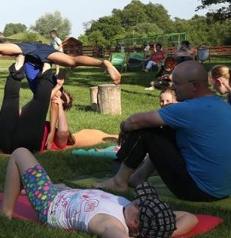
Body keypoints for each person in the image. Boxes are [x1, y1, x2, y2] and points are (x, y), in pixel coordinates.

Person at [0, 147, 197, 238]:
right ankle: (44, 187)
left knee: (20, 153)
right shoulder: (140, 215)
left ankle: (6, 211)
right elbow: (190, 217)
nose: (136, 199)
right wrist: (161, 234)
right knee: (46, 182)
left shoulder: (111, 224)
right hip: (67, 194)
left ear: (135, 222)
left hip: (50, 202)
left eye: (139, 203)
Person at [95, 61, 231, 201]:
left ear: (194, 85)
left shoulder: (188, 109)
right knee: (165, 129)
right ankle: (139, 177)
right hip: (222, 189)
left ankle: (119, 182)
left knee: (145, 131)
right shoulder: (222, 105)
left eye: (177, 83)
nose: (172, 87)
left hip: (198, 191)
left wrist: (124, 127)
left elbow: (135, 121)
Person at [0, 28, 121, 84]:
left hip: (37, 50)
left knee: (71, 62)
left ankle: (104, 63)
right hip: (39, 50)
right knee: (70, 62)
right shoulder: (53, 84)